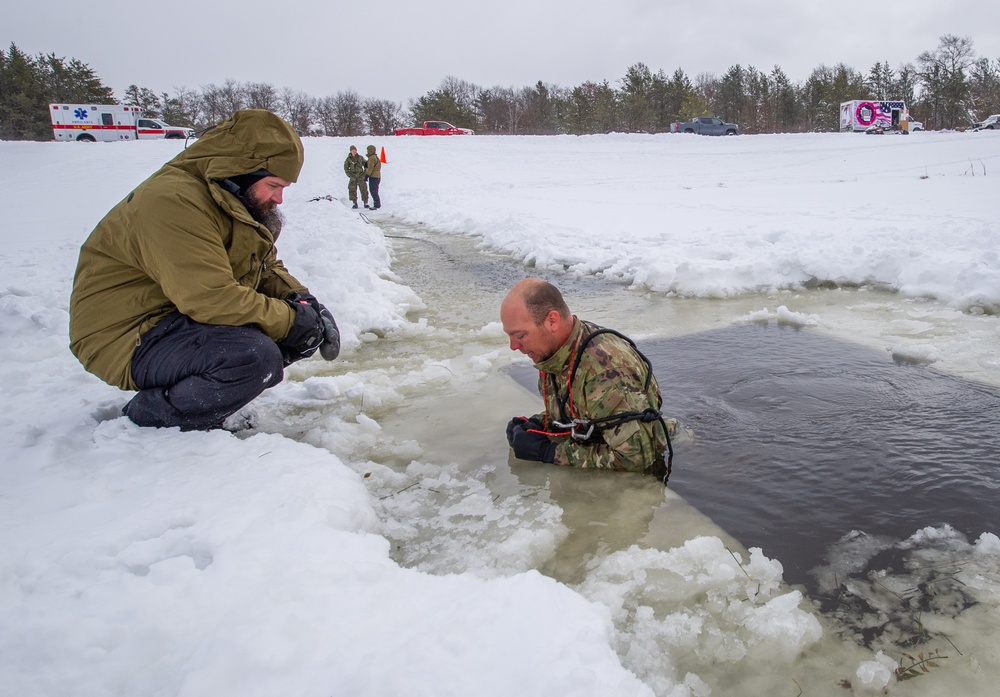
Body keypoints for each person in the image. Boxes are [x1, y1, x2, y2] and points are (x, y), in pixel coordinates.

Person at [69, 109, 341, 432]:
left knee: (286, 335)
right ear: (241, 168)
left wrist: (302, 301)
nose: (279, 198)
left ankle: (208, 403)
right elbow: (211, 299)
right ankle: (150, 419)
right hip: (125, 334)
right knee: (255, 356)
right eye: (273, 185)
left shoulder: (229, 197)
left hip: (170, 317)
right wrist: (291, 321)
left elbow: (262, 264)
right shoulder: (174, 201)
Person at [501, 278, 673, 476]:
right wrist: (538, 425)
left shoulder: (605, 371)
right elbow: (582, 411)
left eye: (520, 336)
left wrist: (549, 453)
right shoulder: (557, 353)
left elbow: (635, 457)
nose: (513, 346)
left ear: (552, 321)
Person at [343, 145, 369, 209]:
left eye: (355, 150)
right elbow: (346, 167)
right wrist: (349, 175)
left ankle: (365, 203)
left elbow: (366, 164)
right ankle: (354, 203)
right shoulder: (348, 159)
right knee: (352, 190)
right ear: (350, 151)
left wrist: (364, 173)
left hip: (360, 176)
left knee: (364, 190)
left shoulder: (360, 158)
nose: (354, 152)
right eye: (353, 150)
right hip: (353, 177)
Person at [365, 144, 382, 210]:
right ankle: (377, 204)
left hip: (374, 176)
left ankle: (376, 205)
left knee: (373, 191)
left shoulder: (372, 158)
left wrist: (367, 175)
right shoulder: (375, 157)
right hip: (377, 176)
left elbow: (370, 168)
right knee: (375, 190)